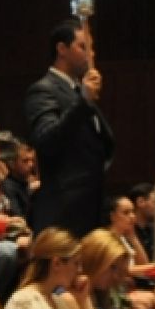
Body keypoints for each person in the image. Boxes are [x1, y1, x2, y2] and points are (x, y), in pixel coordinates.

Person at [23, 19, 114, 239]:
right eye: (83, 47)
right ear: (62, 49)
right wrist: (83, 101)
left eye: (91, 48)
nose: (90, 55)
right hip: (64, 210)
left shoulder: (77, 90)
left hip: (89, 206)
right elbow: (46, 140)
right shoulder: (43, 90)